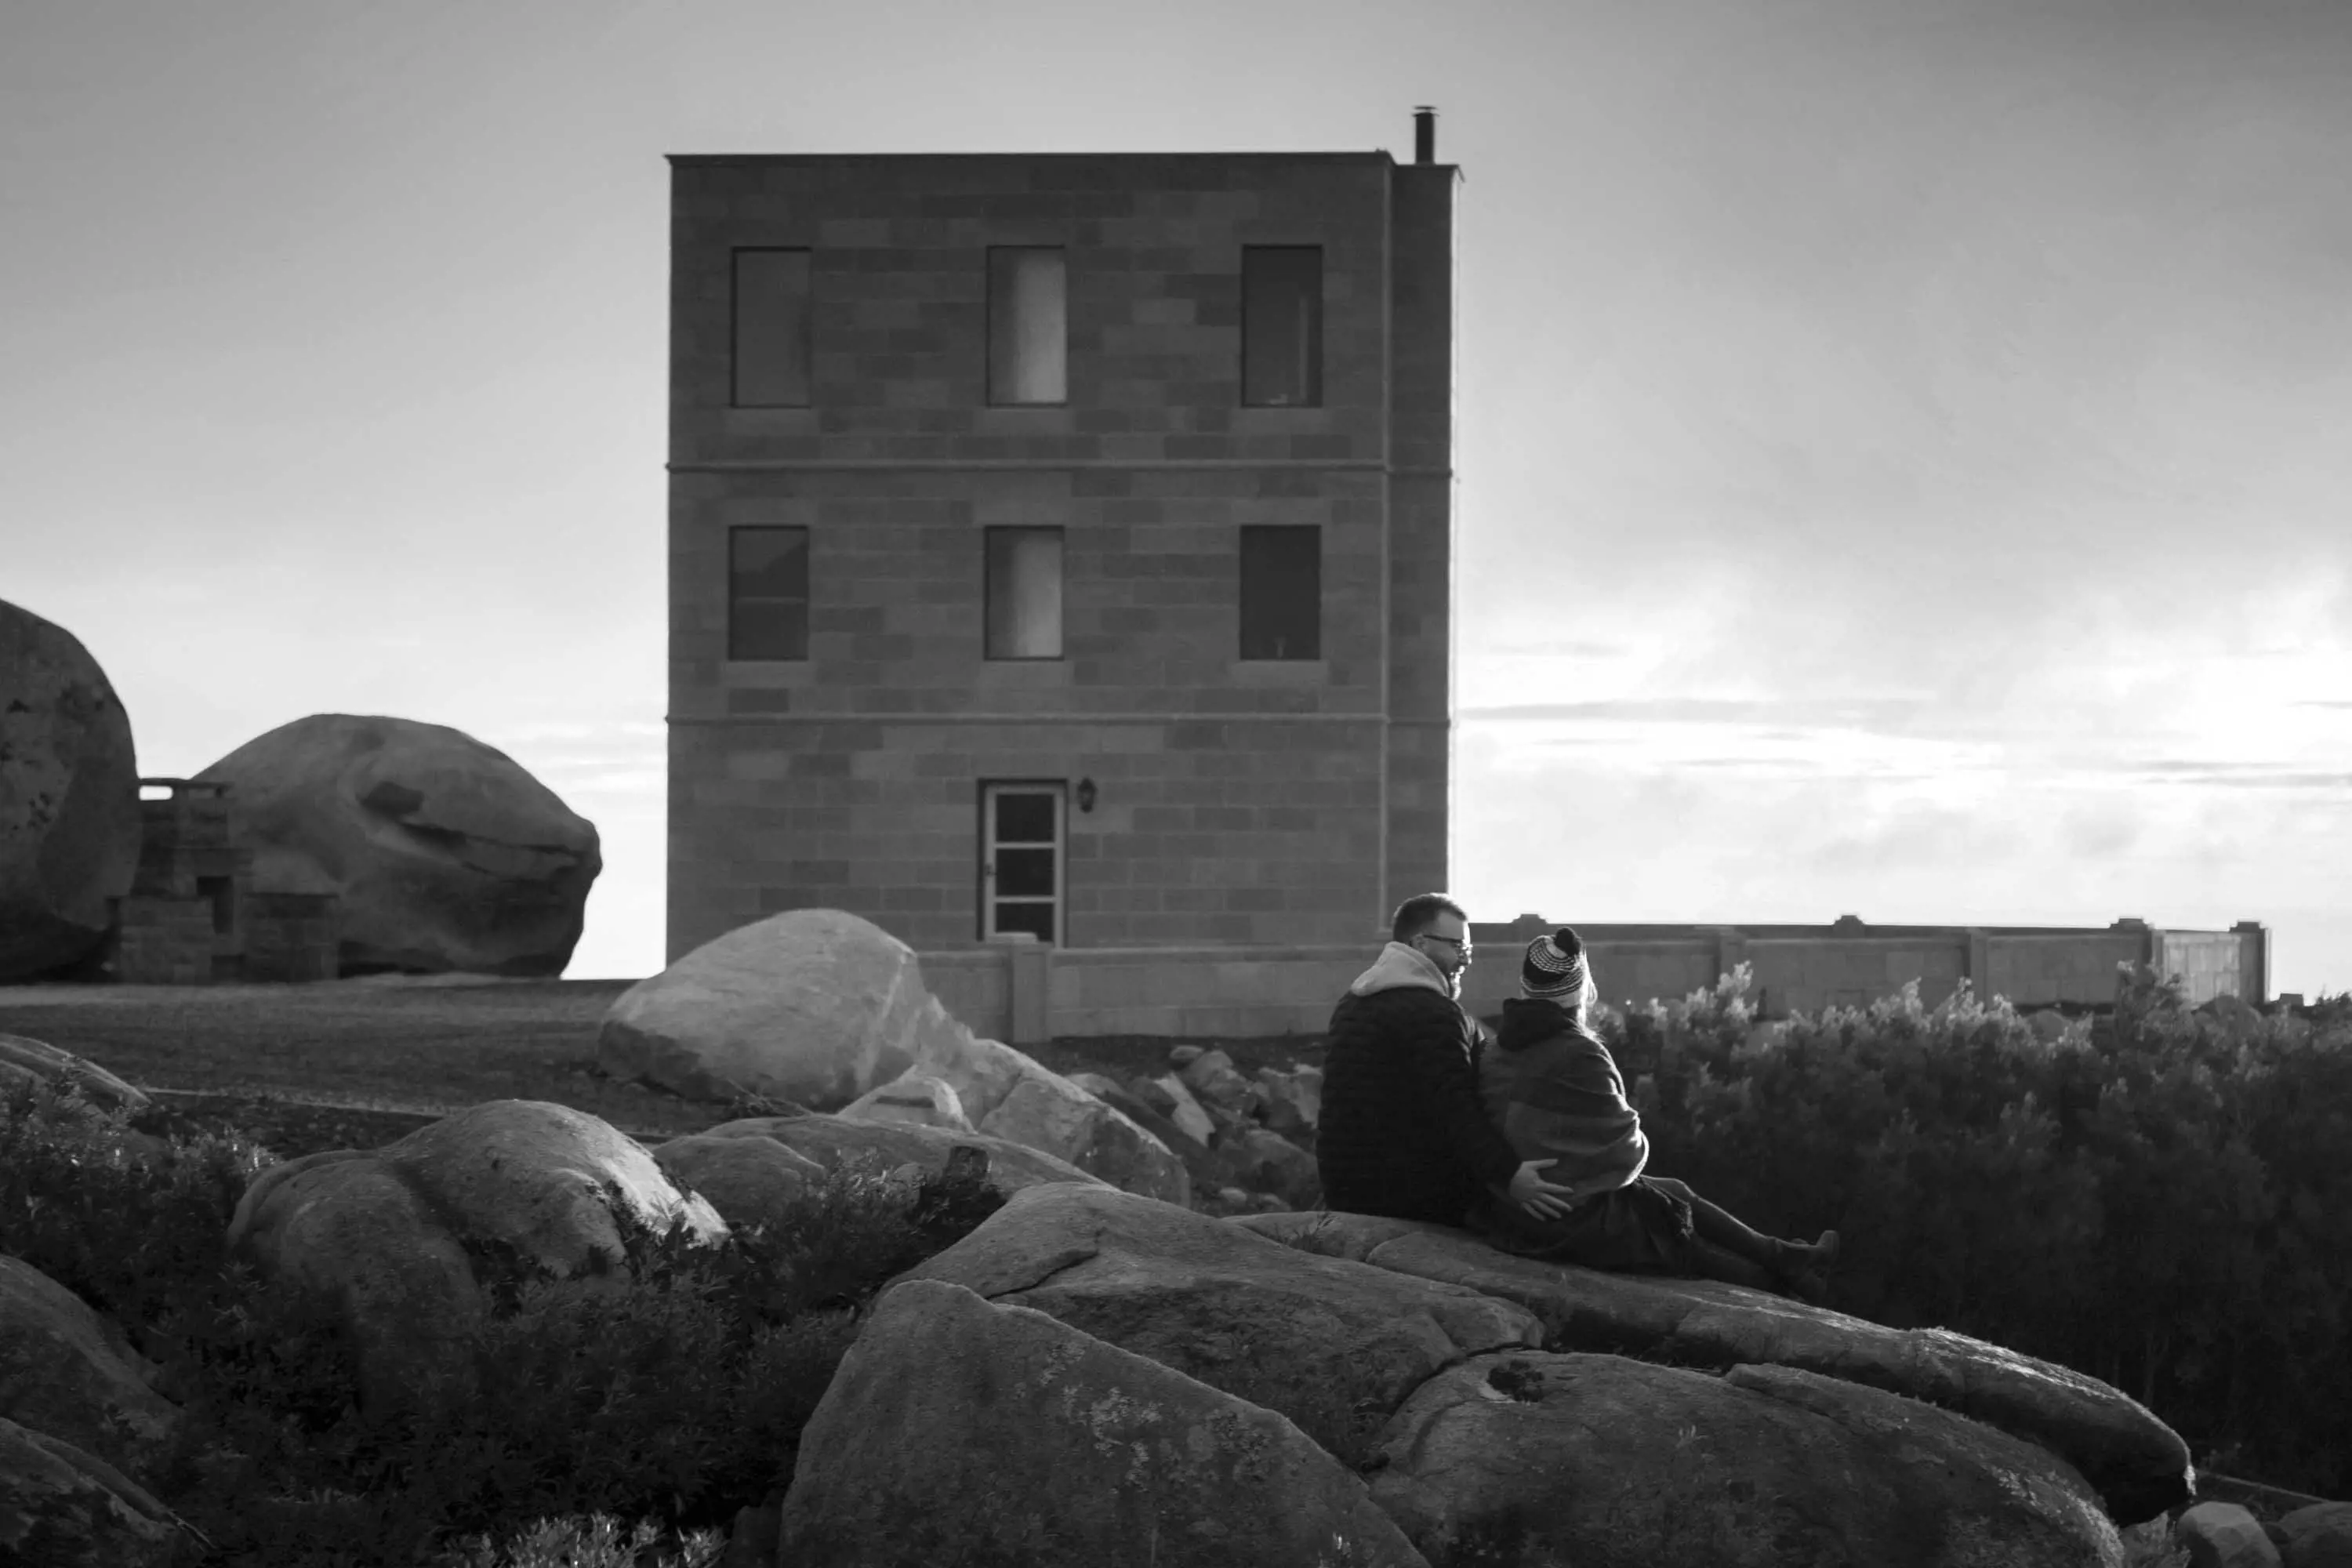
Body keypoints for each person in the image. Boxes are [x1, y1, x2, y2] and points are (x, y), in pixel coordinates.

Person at [1472, 926, 1841, 1303]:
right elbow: (1627, 1150)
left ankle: (1789, 1259)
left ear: (1525, 987)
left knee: (1676, 1192)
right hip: (1565, 1220)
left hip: (1517, 1209)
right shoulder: (1579, 1054)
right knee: (1677, 1238)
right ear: (1579, 991)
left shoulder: (1495, 1049)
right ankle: (1789, 1295)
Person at [1317, 894, 1581, 1227]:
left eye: (1468, 950)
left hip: (1347, 1189)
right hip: (1406, 1197)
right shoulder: (1434, 1014)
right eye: (1459, 948)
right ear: (1420, 943)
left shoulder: (1353, 1002)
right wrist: (1511, 1176)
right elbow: (1454, 1109)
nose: (1465, 961)